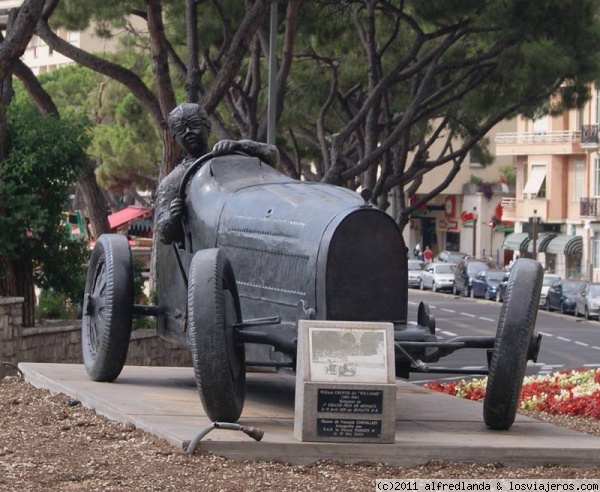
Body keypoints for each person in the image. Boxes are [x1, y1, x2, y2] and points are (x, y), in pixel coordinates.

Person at [155, 103, 280, 245]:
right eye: (180, 129)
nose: (188, 131)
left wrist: (239, 145)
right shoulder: (172, 181)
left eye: (194, 124)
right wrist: (173, 217)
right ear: (174, 138)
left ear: (208, 127)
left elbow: (272, 156)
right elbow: (163, 234)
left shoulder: (230, 156)